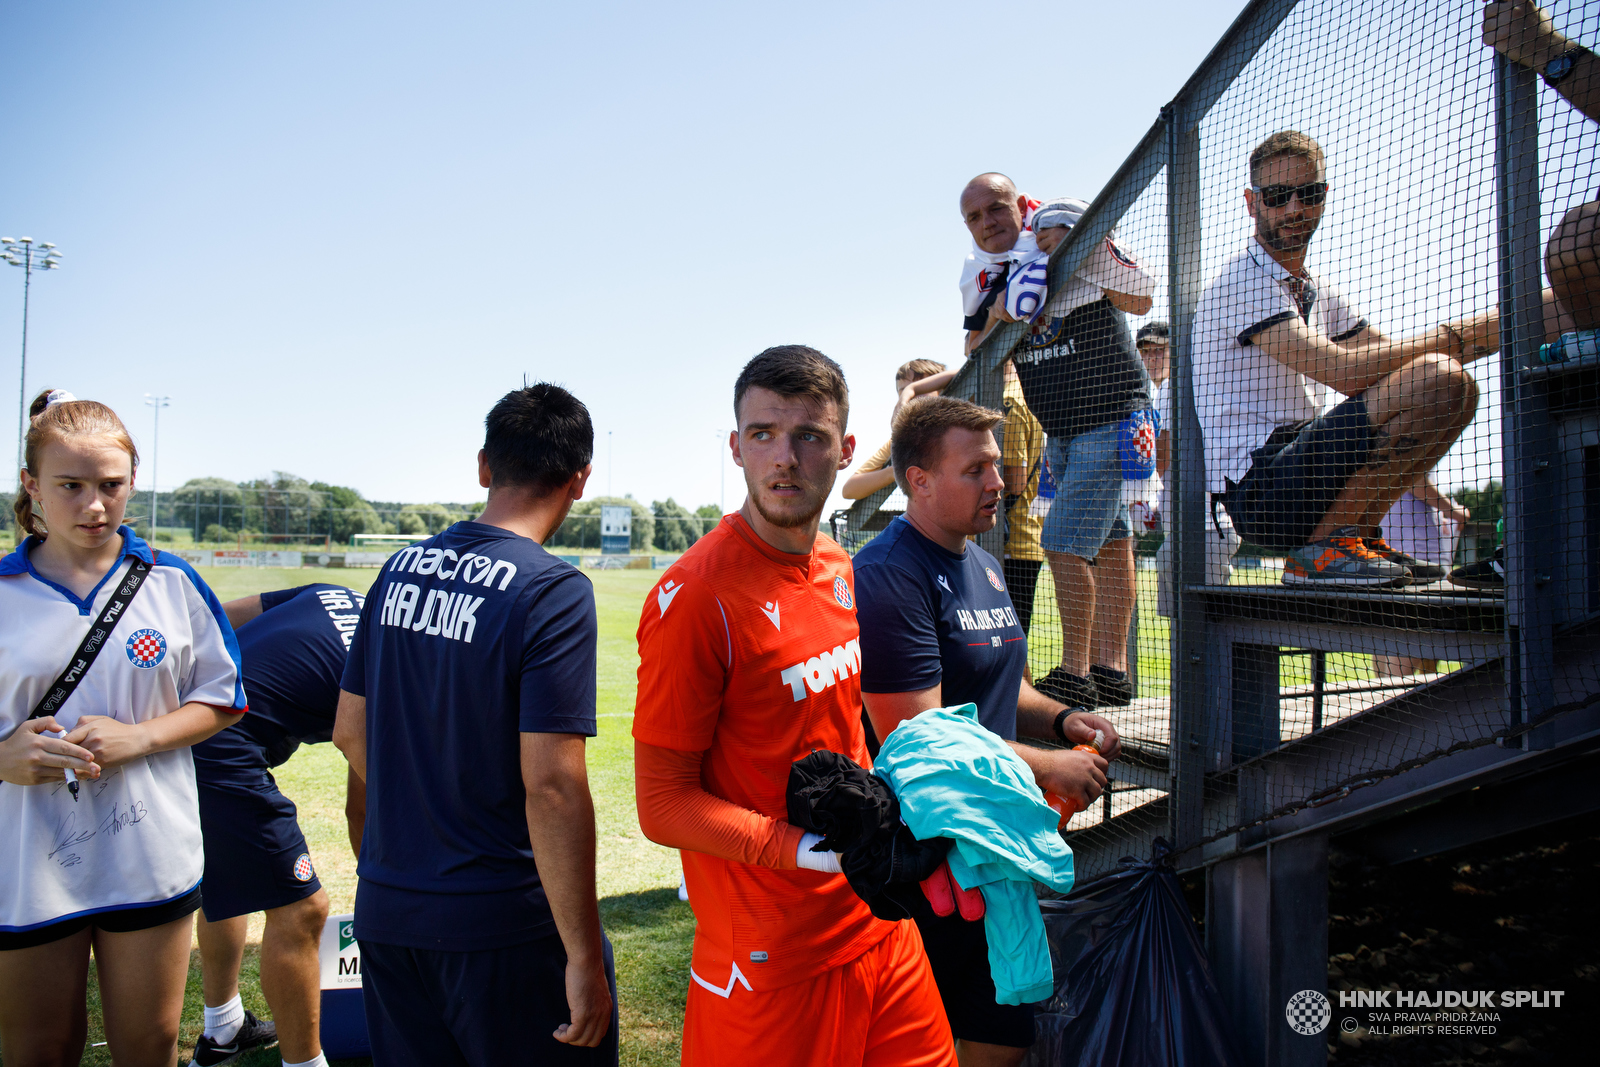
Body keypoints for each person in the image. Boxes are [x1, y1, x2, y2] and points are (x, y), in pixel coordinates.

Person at [633, 346, 957, 1067]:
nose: (785, 458)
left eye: (809, 436)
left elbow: (841, 733)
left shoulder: (840, 566)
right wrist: (805, 851)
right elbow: (661, 805)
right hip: (769, 960)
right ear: (736, 447)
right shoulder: (697, 599)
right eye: (763, 435)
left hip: (879, 922)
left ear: (844, 451)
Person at [333, 383, 616, 1065]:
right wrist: (582, 954)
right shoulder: (552, 589)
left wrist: (426, 806)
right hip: (502, 927)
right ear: (580, 480)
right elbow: (551, 784)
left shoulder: (397, 569)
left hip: (391, 911)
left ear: (484, 465)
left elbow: (348, 729)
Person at [852, 395, 1121, 1066]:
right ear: (918, 479)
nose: (999, 483)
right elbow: (920, 737)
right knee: (928, 1043)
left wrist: (1060, 717)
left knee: (1002, 1039)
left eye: (997, 466)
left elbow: (1005, 680)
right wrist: (1049, 766)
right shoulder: (889, 576)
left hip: (994, 845)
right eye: (975, 469)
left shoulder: (984, 563)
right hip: (930, 859)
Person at [0, 389, 246, 1067]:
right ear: (31, 485)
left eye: (110, 485)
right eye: (70, 486)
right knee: (38, 1049)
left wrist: (141, 737)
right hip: (26, 865)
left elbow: (224, 696)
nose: (94, 505)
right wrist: (3, 757)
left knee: (148, 1046)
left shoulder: (170, 582)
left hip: (148, 855)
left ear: (133, 481)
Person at [1193, 130, 1499, 587]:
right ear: (1251, 202)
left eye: (1308, 193)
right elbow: (1345, 373)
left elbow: (1394, 367)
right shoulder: (1241, 281)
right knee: (1440, 378)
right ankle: (1323, 550)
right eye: (1277, 196)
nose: (1294, 208)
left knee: (1455, 391)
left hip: (1304, 468)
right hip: (1262, 488)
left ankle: (1353, 538)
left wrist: (1513, 324)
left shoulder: (1314, 289)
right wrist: (1462, 335)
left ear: (1324, 196)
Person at [960, 175, 1159, 708]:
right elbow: (973, 348)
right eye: (974, 218)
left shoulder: (1064, 239)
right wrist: (999, 314)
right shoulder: (988, 277)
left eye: (996, 209)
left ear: (1020, 206)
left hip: (1113, 413)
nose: (987, 223)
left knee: (1061, 542)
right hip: (1063, 428)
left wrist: (1082, 248)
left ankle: (1075, 674)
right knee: (1114, 542)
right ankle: (1111, 670)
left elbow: (1141, 298)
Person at [189, 583, 370, 1067]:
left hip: (186, 724)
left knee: (226, 883)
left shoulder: (334, 593)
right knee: (302, 909)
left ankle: (222, 1030)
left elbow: (215, 617)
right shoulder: (400, 666)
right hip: (222, 749)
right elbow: (363, 814)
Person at [1373, 482, 1470, 676]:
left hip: (1400, 556)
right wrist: (1452, 510)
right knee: (1399, 664)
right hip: (1415, 559)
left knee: (1393, 644)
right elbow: (1411, 477)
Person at [841, 359, 955, 500]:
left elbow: (956, 373)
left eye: (922, 389)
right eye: (902, 391)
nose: (911, 397)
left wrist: (909, 390)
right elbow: (849, 490)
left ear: (942, 389)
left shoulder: (958, 420)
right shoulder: (900, 442)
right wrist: (897, 470)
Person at [1000, 359, 1047, 645]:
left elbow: (1015, 480)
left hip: (1010, 541)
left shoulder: (1010, 400)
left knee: (1008, 646)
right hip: (1029, 534)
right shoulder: (1035, 392)